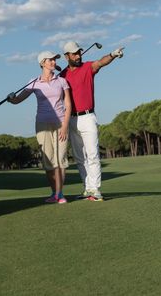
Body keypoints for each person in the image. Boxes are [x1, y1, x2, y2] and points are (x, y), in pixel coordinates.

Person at [60, 41, 124, 201]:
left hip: (88, 117)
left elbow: (101, 62)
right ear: (66, 56)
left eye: (79, 52)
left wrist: (113, 55)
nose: (78, 55)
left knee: (93, 154)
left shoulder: (88, 67)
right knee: (79, 157)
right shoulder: (62, 76)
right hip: (72, 120)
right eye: (74, 53)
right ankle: (87, 188)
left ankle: (95, 189)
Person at [7, 51, 71, 204]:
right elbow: (18, 100)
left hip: (61, 122)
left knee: (60, 159)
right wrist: (11, 99)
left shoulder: (61, 81)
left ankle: (60, 194)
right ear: (42, 63)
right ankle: (54, 192)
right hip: (42, 124)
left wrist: (65, 126)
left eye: (54, 60)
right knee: (48, 160)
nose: (54, 62)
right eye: (51, 60)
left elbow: (68, 105)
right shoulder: (34, 82)